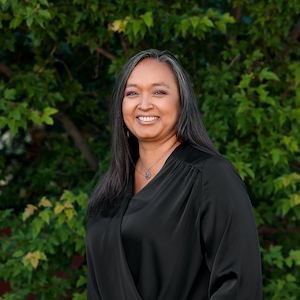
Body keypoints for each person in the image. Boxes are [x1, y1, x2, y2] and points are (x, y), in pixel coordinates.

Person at [85, 49, 263, 300]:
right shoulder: (112, 187)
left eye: (159, 92)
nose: (144, 104)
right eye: (132, 92)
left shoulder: (211, 176)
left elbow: (239, 285)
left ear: (182, 102)